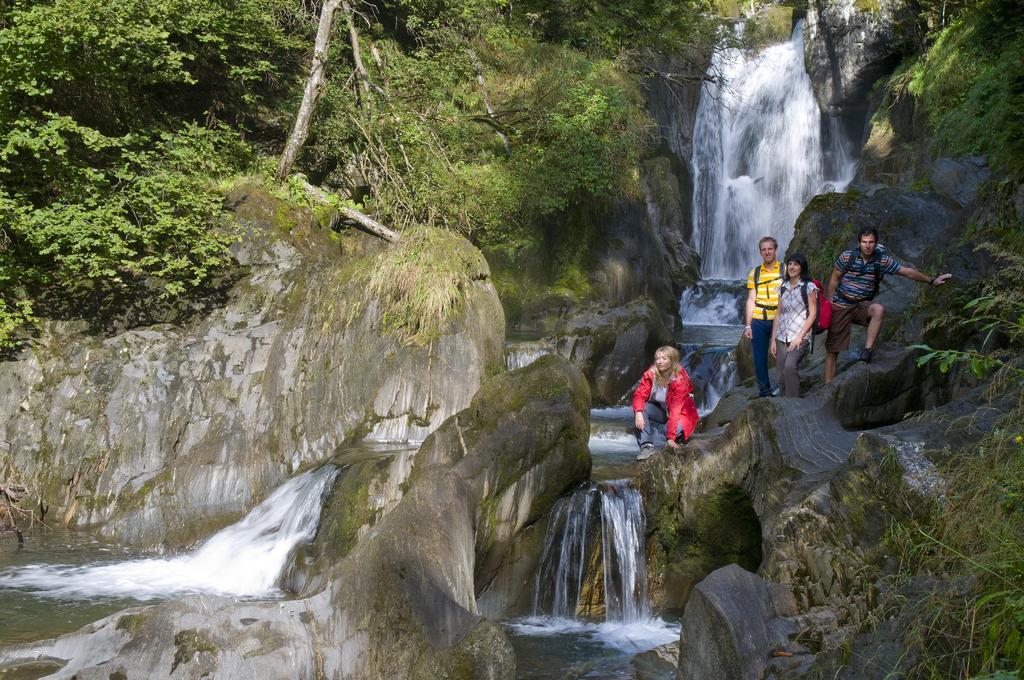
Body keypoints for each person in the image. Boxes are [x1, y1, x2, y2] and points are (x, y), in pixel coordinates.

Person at [824, 226, 953, 383]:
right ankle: (827, 387)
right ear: (859, 243)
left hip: (862, 306)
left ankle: (867, 351)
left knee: (879, 309)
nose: (868, 245)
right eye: (864, 242)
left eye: (871, 242)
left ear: (876, 243)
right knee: (833, 350)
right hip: (842, 303)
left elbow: (907, 272)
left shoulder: (881, 260)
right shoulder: (847, 257)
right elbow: (834, 279)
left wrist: (931, 280)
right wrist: (830, 302)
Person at [632, 346, 699, 461]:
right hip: (662, 411)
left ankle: (678, 440)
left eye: (664, 358)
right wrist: (638, 412)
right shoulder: (651, 374)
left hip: (682, 414)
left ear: (672, 361)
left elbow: (676, 410)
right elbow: (639, 395)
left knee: (667, 430)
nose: (659, 361)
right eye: (658, 358)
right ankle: (647, 446)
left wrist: (670, 438)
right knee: (642, 409)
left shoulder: (679, 379)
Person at [770, 253, 817, 398]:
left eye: (796, 264)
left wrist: (800, 337)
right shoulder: (782, 287)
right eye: (790, 264)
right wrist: (772, 340)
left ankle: (793, 403)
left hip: (799, 336)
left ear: (802, 267)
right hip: (781, 336)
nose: (792, 267)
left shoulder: (809, 287)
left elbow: (813, 314)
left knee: (790, 366)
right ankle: (785, 401)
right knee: (780, 375)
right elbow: (778, 314)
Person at [743, 236, 783, 397]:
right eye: (764, 249)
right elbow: (751, 299)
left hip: (780, 319)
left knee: (783, 356)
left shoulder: (785, 270)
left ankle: (784, 388)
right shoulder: (755, 273)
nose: (767, 252)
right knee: (759, 358)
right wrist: (747, 324)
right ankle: (764, 391)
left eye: (770, 249)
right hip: (759, 320)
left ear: (775, 250)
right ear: (760, 252)